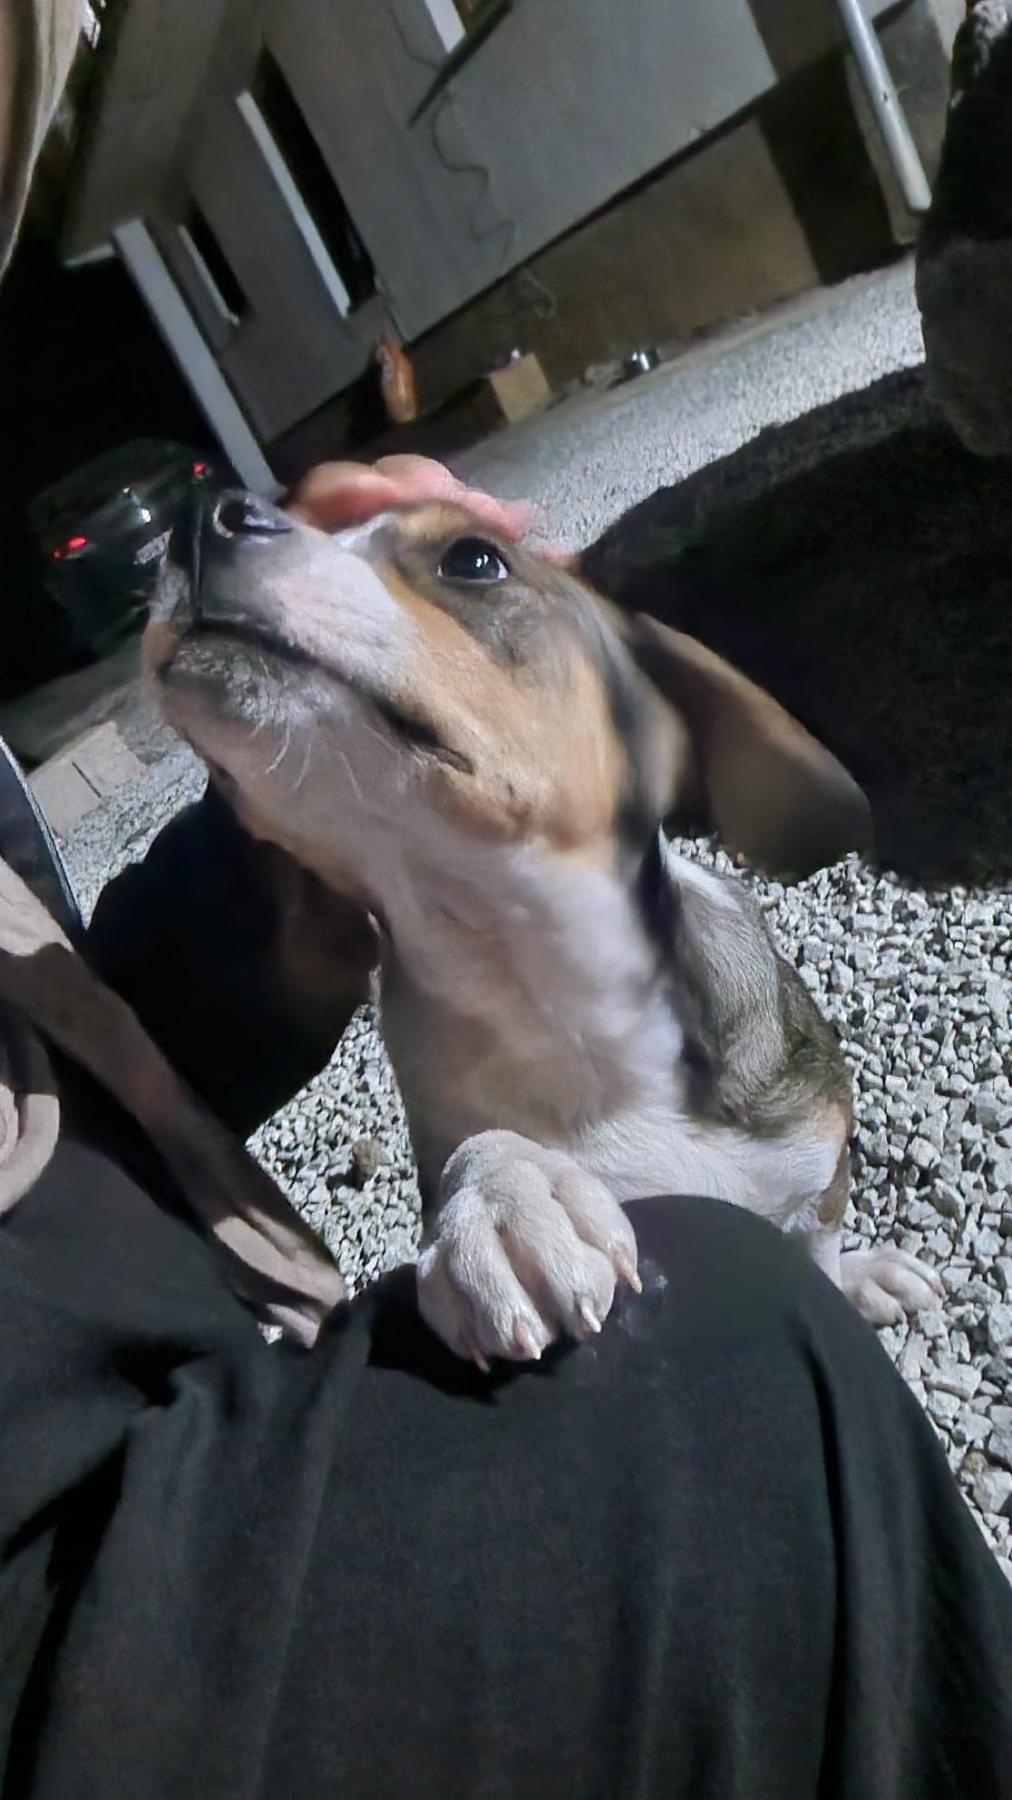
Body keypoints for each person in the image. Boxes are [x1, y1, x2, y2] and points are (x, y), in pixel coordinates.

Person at [2, 8, 1012, 1797]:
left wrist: (273, 837)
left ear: (657, 743)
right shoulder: (447, 1071)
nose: (242, 527)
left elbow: (75, 1072)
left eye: (468, 567)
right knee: (762, 1376)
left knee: (782, 1277)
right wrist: (477, 1167)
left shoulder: (763, 1051)